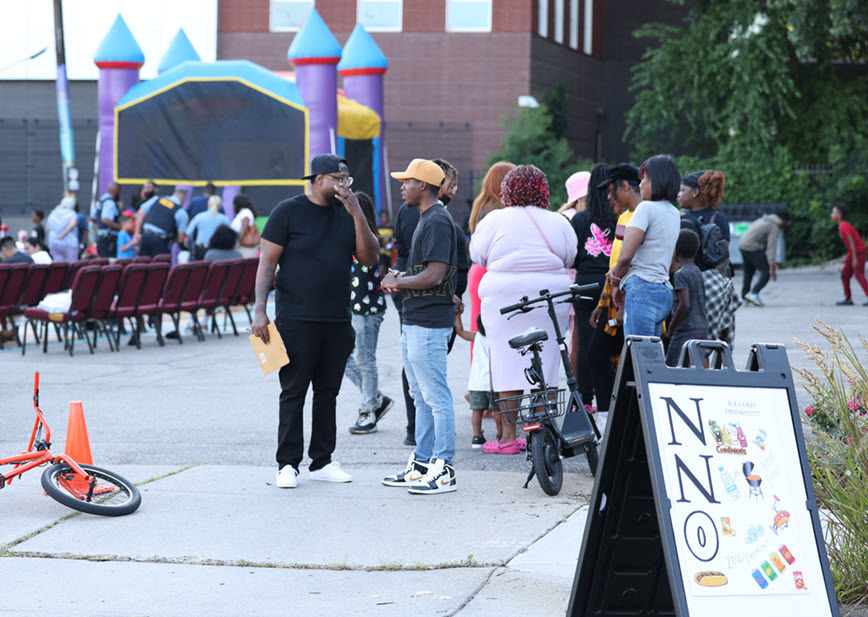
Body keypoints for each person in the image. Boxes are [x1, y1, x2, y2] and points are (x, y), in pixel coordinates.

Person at [252, 153, 379, 489]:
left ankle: (322, 460)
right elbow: (267, 264)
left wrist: (356, 213)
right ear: (318, 179)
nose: (344, 185)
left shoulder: (348, 213)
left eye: (347, 179)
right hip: (295, 319)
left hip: (337, 319)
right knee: (293, 391)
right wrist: (260, 310)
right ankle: (287, 464)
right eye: (339, 179)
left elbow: (369, 257)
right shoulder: (288, 212)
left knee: (328, 393)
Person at [470, 165, 578, 454]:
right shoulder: (557, 221)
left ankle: (507, 438)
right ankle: (542, 433)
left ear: (508, 191)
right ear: (544, 190)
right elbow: (570, 256)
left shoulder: (495, 219)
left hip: (504, 302)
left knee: (506, 363)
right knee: (547, 361)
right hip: (549, 299)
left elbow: (477, 254)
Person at [380, 158, 458, 495]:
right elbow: (425, 272)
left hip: (428, 321)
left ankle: (444, 468)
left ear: (423, 185)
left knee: (436, 397)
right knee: (421, 396)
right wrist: (402, 277)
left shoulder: (438, 220)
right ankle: (422, 464)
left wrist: (399, 282)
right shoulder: (427, 218)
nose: (402, 186)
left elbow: (435, 275)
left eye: (407, 181)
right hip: (416, 319)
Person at [588, 163, 641, 432]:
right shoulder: (623, 218)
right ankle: (608, 419)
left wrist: (620, 305)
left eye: (612, 191)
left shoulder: (642, 215)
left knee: (612, 358)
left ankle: (617, 422)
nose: (609, 198)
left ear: (626, 186)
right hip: (613, 295)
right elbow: (615, 262)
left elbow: (629, 261)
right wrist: (603, 302)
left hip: (632, 297)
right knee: (599, 355)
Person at [610, 154, 681, 339]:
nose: (640, 184)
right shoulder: (674, 213)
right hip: (663, 291)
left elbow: (625, 257)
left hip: (641, 288)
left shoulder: (645, 208)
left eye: (645, 179)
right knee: (651, 360)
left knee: (638, 358)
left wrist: (615, 281)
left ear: (657, 181)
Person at [345, 192, 393, 435]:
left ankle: (368, 413)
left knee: (365, 360)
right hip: (351, 309)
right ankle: (376, 399)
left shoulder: (368, 238)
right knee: (344, 358)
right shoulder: (348, 236)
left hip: (367, 310)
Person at [570, 163, 615, 413]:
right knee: (610, 345)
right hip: (611, 285)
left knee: (584, 344)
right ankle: (608, 401)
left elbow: (573, 257)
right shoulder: (621, 216)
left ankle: (584, 401)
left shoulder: (579, 219)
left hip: (585, 284)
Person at [466, 161, 516, 361]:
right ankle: (488, 381)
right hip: (491, 270)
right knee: (493, 327)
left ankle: (477, 382)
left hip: (478, 270)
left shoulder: (481, 205)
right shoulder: (498, 211)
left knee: (477, 325)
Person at [455, 309, 500, 449]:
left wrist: (457, 315)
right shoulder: (499, 339)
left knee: (476, 410)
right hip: (495, 382)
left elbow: (460, 331)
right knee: (497, 410)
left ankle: (477, 437)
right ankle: (500, 435)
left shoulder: (476, 337)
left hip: (477, 382)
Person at [664, 229, 709, 366]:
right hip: (701, 326)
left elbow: (684, 304)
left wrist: (671, 327)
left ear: (676, 252)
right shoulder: (697, 271)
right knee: (696, 365)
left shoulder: (680, 274)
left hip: (685, 329)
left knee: (672, 365)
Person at [737, 210, 790, 306]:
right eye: (786, 222)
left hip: (742, 244)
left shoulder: (764, 219)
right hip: (752, 247)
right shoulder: (774, 226)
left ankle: (744, 298)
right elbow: (772, 246)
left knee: (749, 272)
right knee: (765, 271)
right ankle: (753, 293)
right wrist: (771, 265)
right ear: (783, 220)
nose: (786, 225)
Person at [134, 188, 190, 257]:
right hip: (161, 241)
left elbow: (140, 213)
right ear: (184, 200)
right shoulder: (181, 212)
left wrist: (137, 233)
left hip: (146, 236)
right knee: (160, 266)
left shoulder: (157, 199)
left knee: (142, 265)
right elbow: (181, 238)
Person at [830, 204, 868, 305]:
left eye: (833, 212)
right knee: (844, 274)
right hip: (853, 252)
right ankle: (848, 299)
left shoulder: (844, 226)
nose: (831, 215)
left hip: (858, 251)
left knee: (858, 274)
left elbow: (851, 241)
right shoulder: (842, 225)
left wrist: (855, 259)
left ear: (839, 215)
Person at [187, 195, 232, 261]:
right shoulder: (224, 219)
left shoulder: (199, 216)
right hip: (216, 250)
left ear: (208, 205)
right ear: (219, 207)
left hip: (200, 250)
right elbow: (230, 234)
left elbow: (188, 232)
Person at [46, 196, 79, 262]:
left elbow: (48, 227)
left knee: (58, 266)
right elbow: (72, 224)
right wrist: (63, 234)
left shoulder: (53, 212)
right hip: (69, 243)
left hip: (54, 243)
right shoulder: (72, 213)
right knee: (71, 265)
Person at [93, 182, 122, 258]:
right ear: (117, 191)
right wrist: (120, 228)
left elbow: (92, 218)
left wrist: (100, 227)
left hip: (101, 237)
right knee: (109, 263)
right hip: (108, 239)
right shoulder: (110, 202)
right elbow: (105, 220)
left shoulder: (101, 200)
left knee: (103, 262)